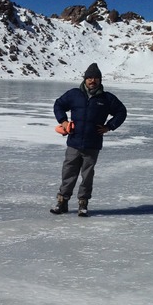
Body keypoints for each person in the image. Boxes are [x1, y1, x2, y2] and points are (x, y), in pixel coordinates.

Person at [50, 63, 127, 217]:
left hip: (92, 144)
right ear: (85, 79)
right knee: (68, 172)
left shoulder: (106, 98)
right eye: (90, 78)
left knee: (87, 175)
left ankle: (83, 204)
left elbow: (121, 112)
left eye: (96, 78)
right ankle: (62, 201)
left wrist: (109, 126)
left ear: (100, 80)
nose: (93, 81)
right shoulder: (74, 94)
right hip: (74, 142)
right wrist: (64, 121)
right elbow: (58, 105)